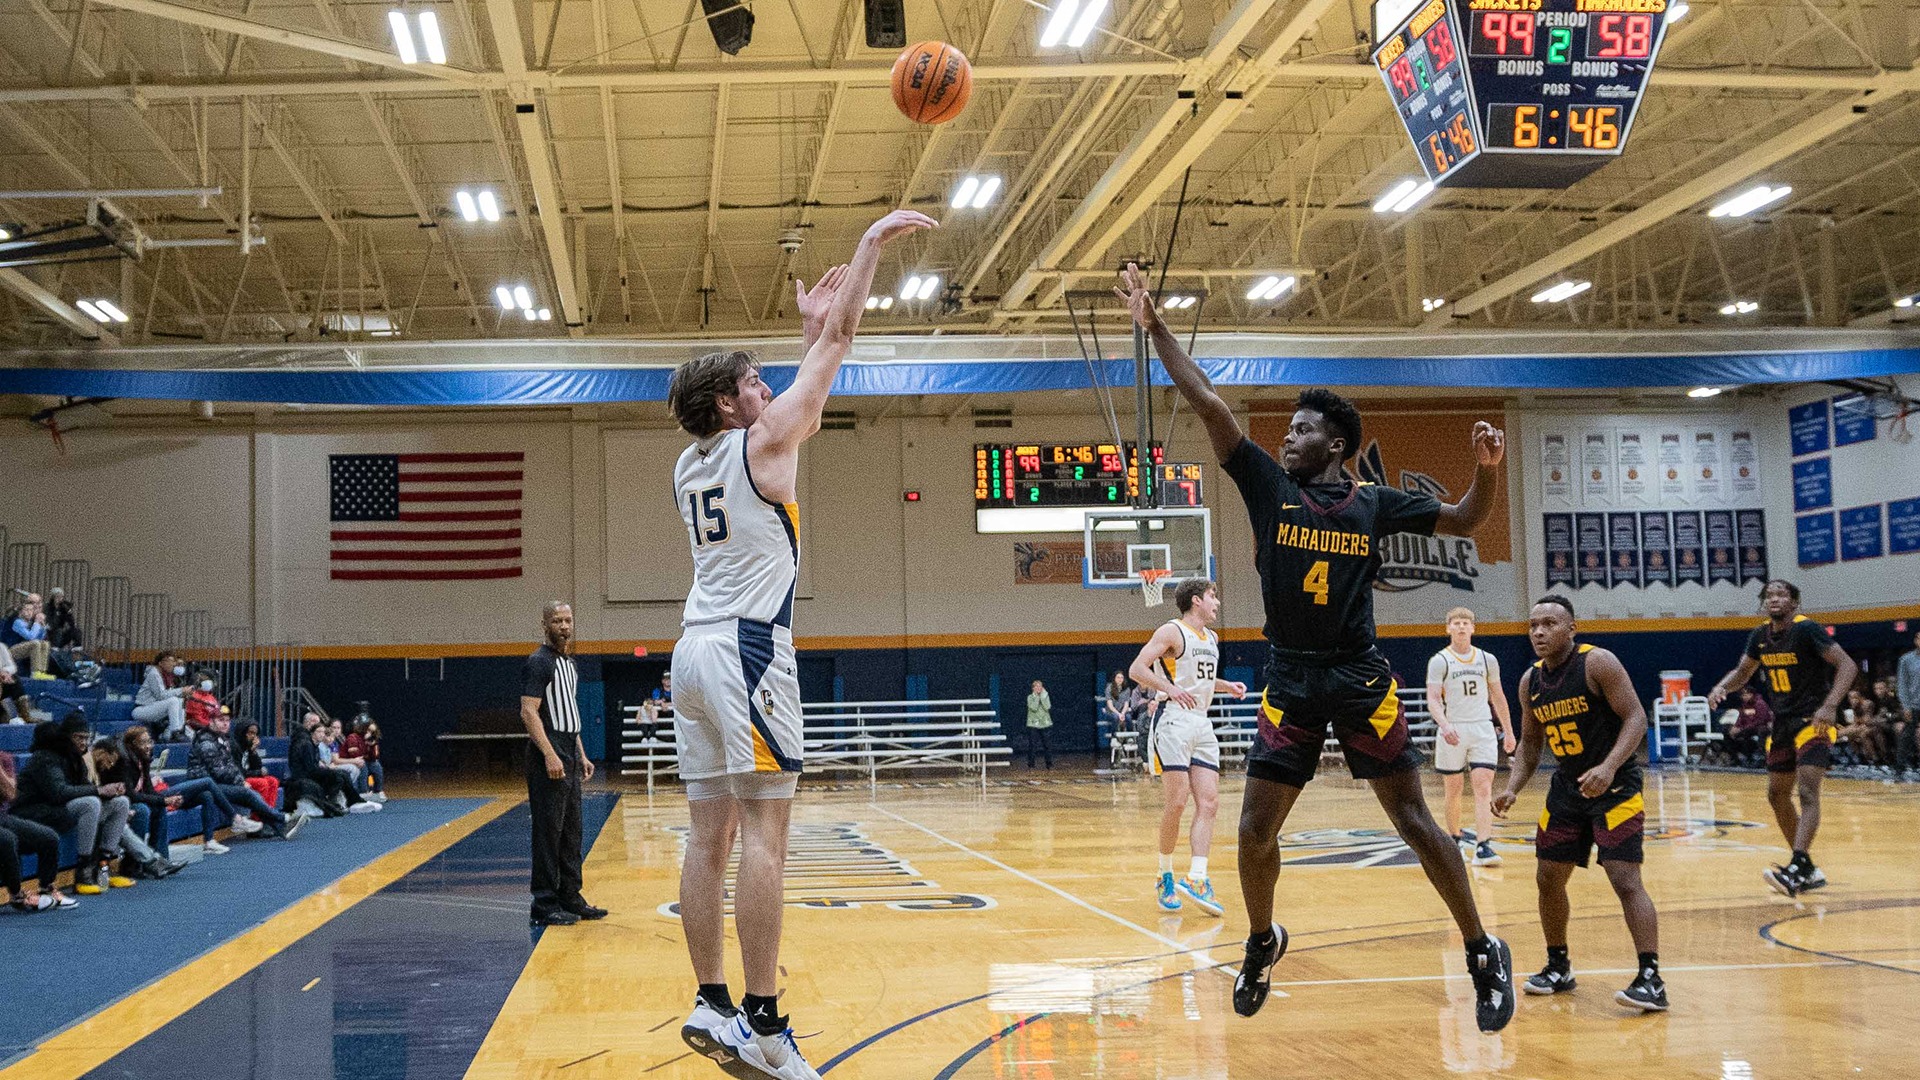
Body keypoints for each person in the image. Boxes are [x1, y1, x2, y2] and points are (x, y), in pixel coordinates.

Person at [1115, 262, 1516, 1032]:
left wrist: (1488, 473)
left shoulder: (1374, 503)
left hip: (1362, 680)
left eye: (1300, 430)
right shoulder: (1269, 486)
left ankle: (1480, 947)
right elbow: (1208, 402)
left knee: (1416, 823)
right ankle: (1263, 940)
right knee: (1254, 830)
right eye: (1287, 429)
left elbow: (1466, 519)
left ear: (1333, 443)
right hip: (1291, 681)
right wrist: (1154, 326)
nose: (1286, 437)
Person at [667, 207, 934, 1080]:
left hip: (691, 649)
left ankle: (711, 1004)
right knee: (767, 834)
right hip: (749, 650)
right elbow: (844, 341)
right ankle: (766, 1025)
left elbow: (809, 393)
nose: (769, 384)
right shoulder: (763, 442)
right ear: (729, 403)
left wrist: (812, 334)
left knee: (706, 836)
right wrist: (866, 250)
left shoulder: (692, 462)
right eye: (755, 380)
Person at [1493, 595, 1665, 1011]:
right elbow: (1531, 744)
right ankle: (1558, 966)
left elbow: (1636, 718)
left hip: (1615, 786)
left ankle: (1651, 977)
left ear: (1572, 628)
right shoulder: (1529, 682)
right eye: (1533, 625)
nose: (1538, 632)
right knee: (1548, 878)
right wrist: (1513, 786)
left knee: (1625, 878)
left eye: (1549, 624)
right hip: (1567, 789)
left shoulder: (1598, 663)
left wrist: (1608, 767)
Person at [1705, 580, 1857, 896]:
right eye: (1769, 595)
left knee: (1807, 791)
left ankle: (1798, 864)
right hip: (1783, 724)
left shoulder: (1807, 630)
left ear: (1794, 603)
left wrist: (1830, 705)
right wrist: (1722, 686)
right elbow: (1743, 672)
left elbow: (1847, 665)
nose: (1774, 598)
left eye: (1781, 594)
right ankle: (1808, 870)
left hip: (1812, 721)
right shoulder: (1759, 636)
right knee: (1776, 795)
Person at [1129, 578, 1245, 917]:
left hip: (1201, 722)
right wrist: (1168, 688)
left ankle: (1197, 878)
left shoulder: (1212, 637)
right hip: (1174, 720)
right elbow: (1137, 669)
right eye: (1212, 596)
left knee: (1209, 802)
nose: (1217, 603)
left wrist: (1226, 686)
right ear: (1196, 600)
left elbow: (1200, 681)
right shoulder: (1171, 632)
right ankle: (1165, 874)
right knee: (1177, 802)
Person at [520, 601, 603, 928]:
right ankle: (543, 904)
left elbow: (568, 711)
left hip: (568, 748)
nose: (564, 626)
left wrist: (579, 752)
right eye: (557, 621)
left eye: (568, 620)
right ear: (545, 625)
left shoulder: (569, 663)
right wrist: (549, 754)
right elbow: (529, 712)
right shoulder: (538, 662)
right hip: (548, 751)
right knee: (548, 831)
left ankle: (571, 895)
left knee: (572, 830)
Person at [1426, 607, 1516, 866]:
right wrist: (1443, 724)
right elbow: (1432, 699)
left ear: (1473, 628)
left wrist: (1508, 732)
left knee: (1484, 786)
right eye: (1456, 623)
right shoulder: (1440, 660)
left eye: (1466, 623)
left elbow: (1498, 697)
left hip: (1482, 728)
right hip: (1453, 727)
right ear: (1448, 628)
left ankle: (1483, 845)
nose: (1462, 627)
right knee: (1453, 789)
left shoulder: (1487, 659)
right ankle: (1454, 840)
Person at [11, 715, 135, 894]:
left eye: (86, 738)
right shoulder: (45, 758)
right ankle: (83, 871)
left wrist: (110, 791)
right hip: (34, 811)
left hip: (59, 809)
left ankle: (104, 866)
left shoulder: (76, 759)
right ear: (66, 737)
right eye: (79, 737)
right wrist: (99, 791)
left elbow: (85, 788)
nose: (84, 743)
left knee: (121, 803)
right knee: (90, 803)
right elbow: (58, 793)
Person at [188, 714, 305, 838]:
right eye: (221, 720)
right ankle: (281, 819)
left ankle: (278, 826)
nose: (225, 723)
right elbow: (218, 770)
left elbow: (231, 766)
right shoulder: (207, 741)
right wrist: (240, 781)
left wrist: (253, 752)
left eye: (227, 720)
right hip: (204, 784)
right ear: (211, 722)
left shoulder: (221, 739)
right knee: (249, 792)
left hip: (217, 783)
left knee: (263, 785)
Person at [123, 725, 233, 856]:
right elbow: (132, 794)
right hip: (131, 801)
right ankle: (234, 817)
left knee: (206, 795)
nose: (148, 746)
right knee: (207, 782)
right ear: (133, 744)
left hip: (148, 796)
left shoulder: (144, 760)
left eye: (149, 741)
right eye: (143, 742)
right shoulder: (125, 763)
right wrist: (164, 800)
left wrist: (163, 800)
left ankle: (163, 858)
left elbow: (149, 791)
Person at [89, 738, 180, 879]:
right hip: (88, 809)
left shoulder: (134, 762)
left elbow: (146, 791)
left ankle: (159, 860)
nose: (111, 764)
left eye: (150, 741)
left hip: (104, 806)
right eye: (144, 742)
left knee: (154, 808)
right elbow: (90, 794)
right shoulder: (94, 764)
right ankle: (147, 863)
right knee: (135, 814)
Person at [0, 763, 73, 911]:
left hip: (2, 817)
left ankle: (47, 887)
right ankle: (17, 895)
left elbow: (11, 795)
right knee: (7, 839)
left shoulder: (3, 758)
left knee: (49, 837)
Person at [289, 712, 373, 816]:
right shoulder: (304, 741)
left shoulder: (309, 740)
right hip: (305, 773)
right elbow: (309, 767)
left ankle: (352, 800)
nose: (321, 733)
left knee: (343, 774)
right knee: (338, 775)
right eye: (318, 730)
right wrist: (327, 769)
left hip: (312, 769)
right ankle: (338, 803)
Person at [231, 721, 284, 820]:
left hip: (247, 777)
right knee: (262, 783)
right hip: (237, 780)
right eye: (250, 733)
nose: (253, 737)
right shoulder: (234, 747)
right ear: (242, 732)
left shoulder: (249, 747)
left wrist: (253, 751)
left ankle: (268, 817)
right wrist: (258, 773)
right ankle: (257, 819)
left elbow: (257, 767)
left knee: (273, 781)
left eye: (255, 734)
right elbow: (237, 772)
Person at [133, 652, 190, 741]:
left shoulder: (166, 675)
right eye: (170, 661)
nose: (173, 664)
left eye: (173, 661)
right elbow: (161, 695)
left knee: (179, 701)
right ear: (160, 663)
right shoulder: (154, 673)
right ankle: (175, 732)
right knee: (173, 701)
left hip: (152, 707)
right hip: (141, 709)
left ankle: (174, 732)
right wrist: (181, 690)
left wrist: (182, 693)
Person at [6, 593, 51, 677]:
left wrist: (42, 626)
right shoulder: (18, 622)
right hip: (11, 650)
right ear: (21, 611)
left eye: (31, 610)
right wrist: (37, 622)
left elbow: (40, 638)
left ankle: (42, 672)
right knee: (35, 643)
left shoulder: (31, 623)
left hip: (24, 647)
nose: (29, 612)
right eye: (26, 610)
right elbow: (30, 637)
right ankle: (35, 672)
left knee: (45, 644)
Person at [343, 717, 386, 802]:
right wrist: (364, 748)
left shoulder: (372, 740)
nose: (369, 733)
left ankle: (378, 791)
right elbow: (354, 754)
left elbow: (375, 757)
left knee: (377, 766)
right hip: (353, 760)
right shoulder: (353, 737)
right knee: (363, 767)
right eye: (368, 730)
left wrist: (372, 746)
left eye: (372, 732)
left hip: (366, 759)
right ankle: (364, 792)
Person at [1899, 631, 1920, 775]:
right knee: (1906, 736)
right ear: (1915, 640)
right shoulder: (1906, 660)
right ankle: (1899, 768)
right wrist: (1905, 706)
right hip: (1913, 704)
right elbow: (1902, 684)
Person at [1024, 680, 1054, 769]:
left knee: (1047, 745)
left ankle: (1049, 763)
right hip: (1033, 724)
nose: (1038, 688)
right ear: (1033, 688)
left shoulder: (1045, 696)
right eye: (1036, 686)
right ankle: (1031, 764)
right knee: (1033, 745)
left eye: (1040, 686)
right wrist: (1037, 697)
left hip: (1045, 723)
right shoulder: (1030, 697)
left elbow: (1047, 707)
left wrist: (1043, 697)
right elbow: (1034, 707)